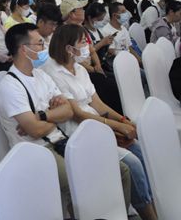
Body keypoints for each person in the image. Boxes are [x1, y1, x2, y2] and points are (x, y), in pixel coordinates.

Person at [0, 23, 131, 214]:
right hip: (37, 151)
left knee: (121, 170)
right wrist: (53, 116)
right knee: (89, 180)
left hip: (61, 140)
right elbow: (34, 131)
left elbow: (68, 111)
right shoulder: (11, 86)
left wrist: (42, 115)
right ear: (24, 49)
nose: (44, 48)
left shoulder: (41, 75)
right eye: (39, 44)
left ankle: (113, 214)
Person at [43, 25, 156, 220]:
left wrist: (123, 120)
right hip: (78, 132)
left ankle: (149, 205)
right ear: (69, 48)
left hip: (98, 125)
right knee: (133, 164)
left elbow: (97, 103)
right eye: (83, 43)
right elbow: (78, 114)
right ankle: (148, 215)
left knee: (139, 151)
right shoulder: (53, 72)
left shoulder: (79, 69)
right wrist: (117, 126)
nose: (88, 47)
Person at [62, 0, 124, 113]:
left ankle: (120, 115)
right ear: (72, 13)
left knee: (115, 83)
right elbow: (73, 59)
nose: (84, 11)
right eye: (81, 9)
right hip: (82, 70)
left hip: (92, 68)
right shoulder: (65, 32)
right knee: (109, 87)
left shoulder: (81, 29)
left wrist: (98, 65)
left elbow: (91, 50)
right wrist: (93, 69)